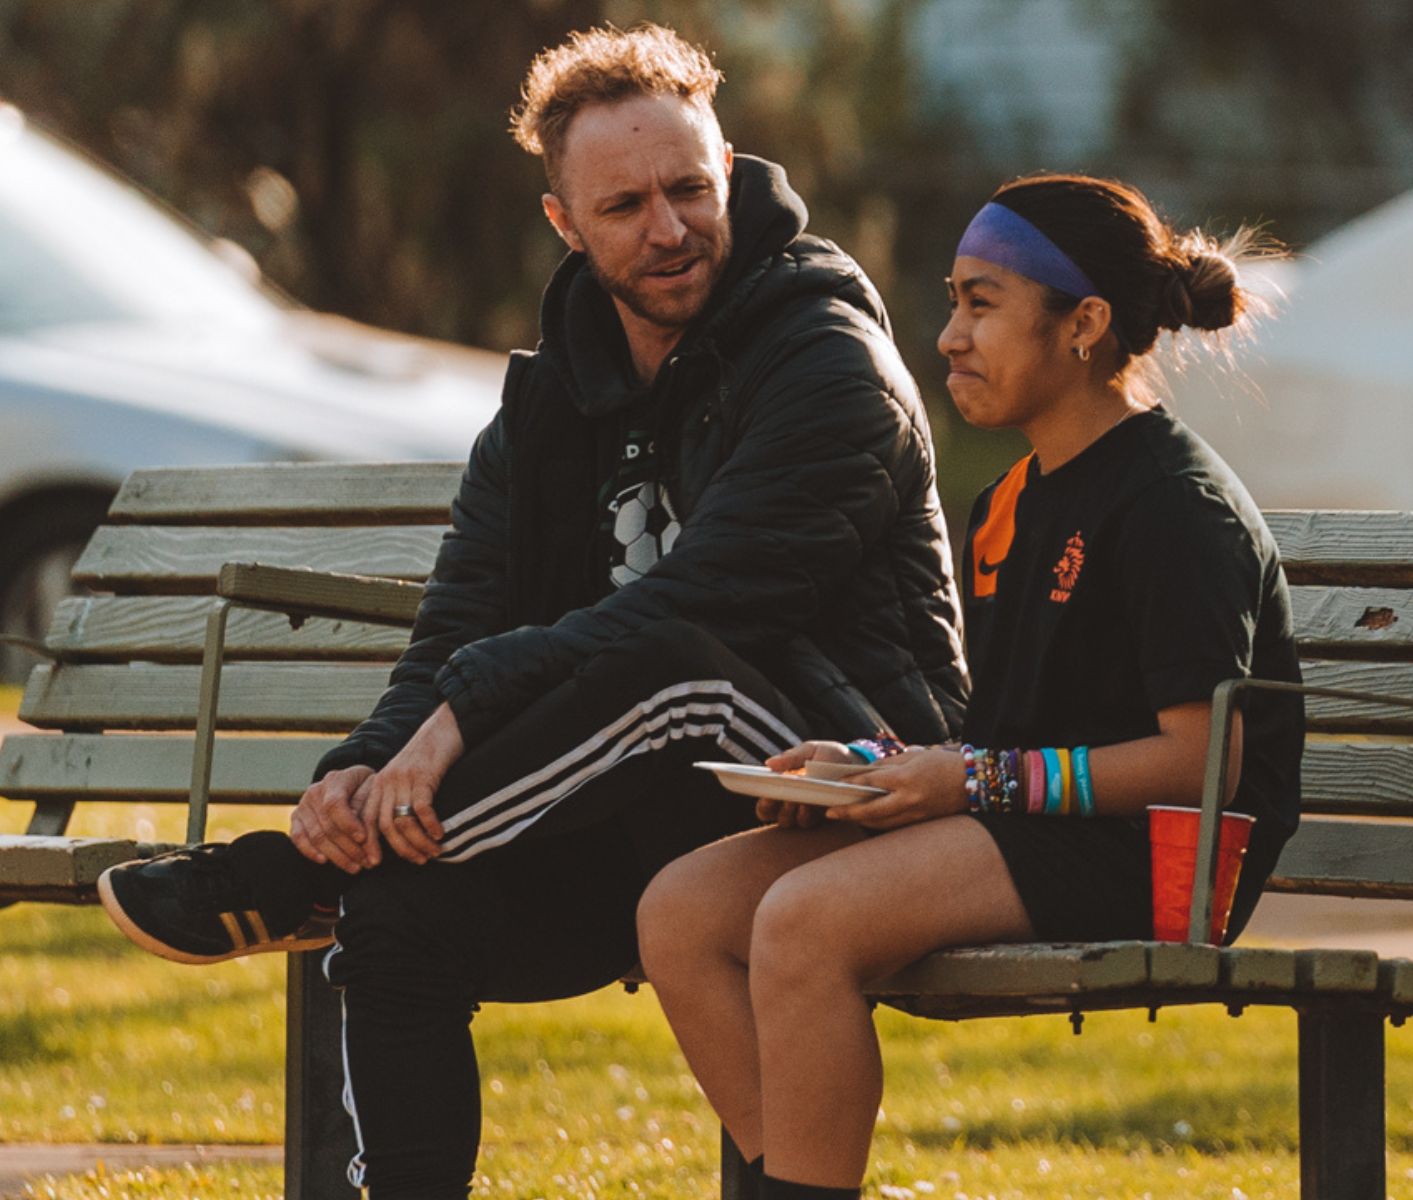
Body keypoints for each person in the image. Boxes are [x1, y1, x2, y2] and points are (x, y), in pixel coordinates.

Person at [94, 24, 964, 1198]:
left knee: (674, 663)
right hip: (627, 809)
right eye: (624, 207)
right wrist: (355, 778)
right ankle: (338, 880)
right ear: (563, 222)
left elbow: (706, 601)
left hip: (847, 784)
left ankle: (300, 883)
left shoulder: (825, 361)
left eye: (689, 190)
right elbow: (458, 623)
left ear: (728, 170)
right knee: (397, 921)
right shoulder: (550, 401)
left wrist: (458, 718)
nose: (668, 229)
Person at [635, 174, 1305, 1199]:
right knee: (681, 910)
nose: (948, 336)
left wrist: (972, 784)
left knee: (804, 922)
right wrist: (870, 773)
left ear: (1081, 324)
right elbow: (1000, 735)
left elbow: (1197, 759)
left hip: (1165, 856)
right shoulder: (1005, 506)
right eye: (952, 301)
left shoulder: (1177, 507)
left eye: (981, 303)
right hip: (1031, 827)